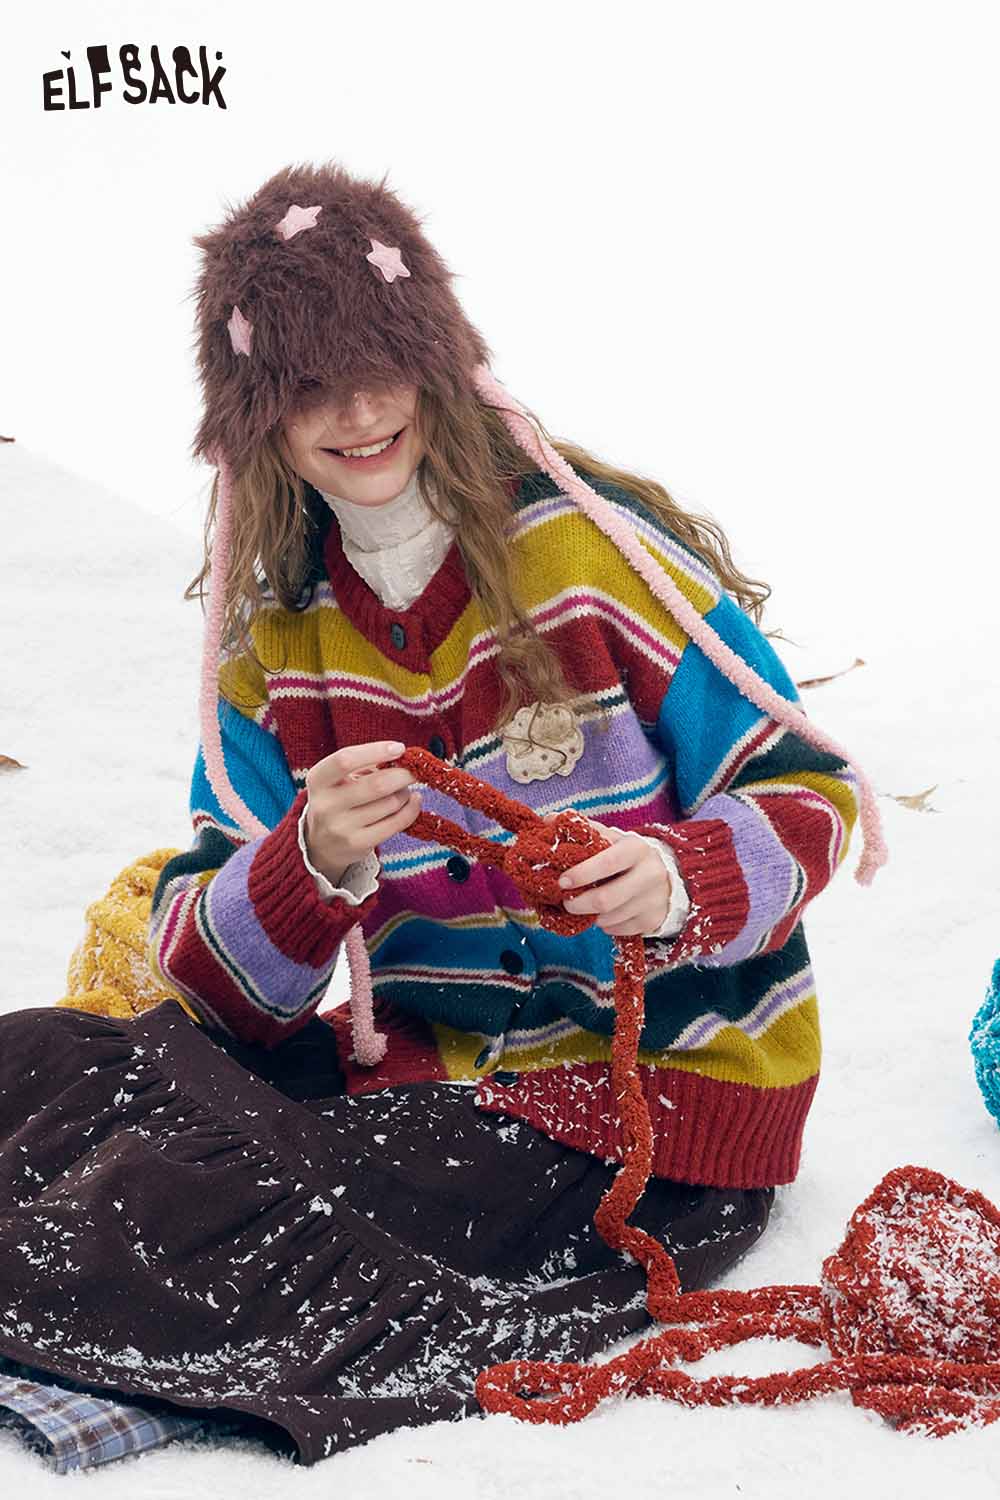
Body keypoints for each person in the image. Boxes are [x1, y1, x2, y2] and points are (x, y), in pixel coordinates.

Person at [0, 159, 886, 1467]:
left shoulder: (592, 559)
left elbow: (809, 790)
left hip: (643, 1109)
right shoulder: (277, 642)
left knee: (165, 1194)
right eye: (306, 385)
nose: (356, 413)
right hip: (421, 1066)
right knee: (31, 1063)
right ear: (257, 415)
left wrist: (676, 874)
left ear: (439, 360)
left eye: (380, 367)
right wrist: (309, 865)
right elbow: (208, 979)